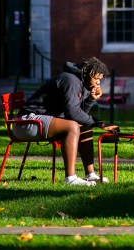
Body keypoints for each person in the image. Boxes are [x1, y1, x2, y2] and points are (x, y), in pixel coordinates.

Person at [14, 56, 118, 186]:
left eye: (100, 80)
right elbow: (72, 113)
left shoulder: (80, 82)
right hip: (26, 123)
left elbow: (79, 114)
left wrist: (91, 99)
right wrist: (98, 123)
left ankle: (90, 175)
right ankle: (70, 178)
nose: (98, 83)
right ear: (87, 73)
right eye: (96, 78)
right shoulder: (71, 81)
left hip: (39, 121)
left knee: (84, 127)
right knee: (72, 127)